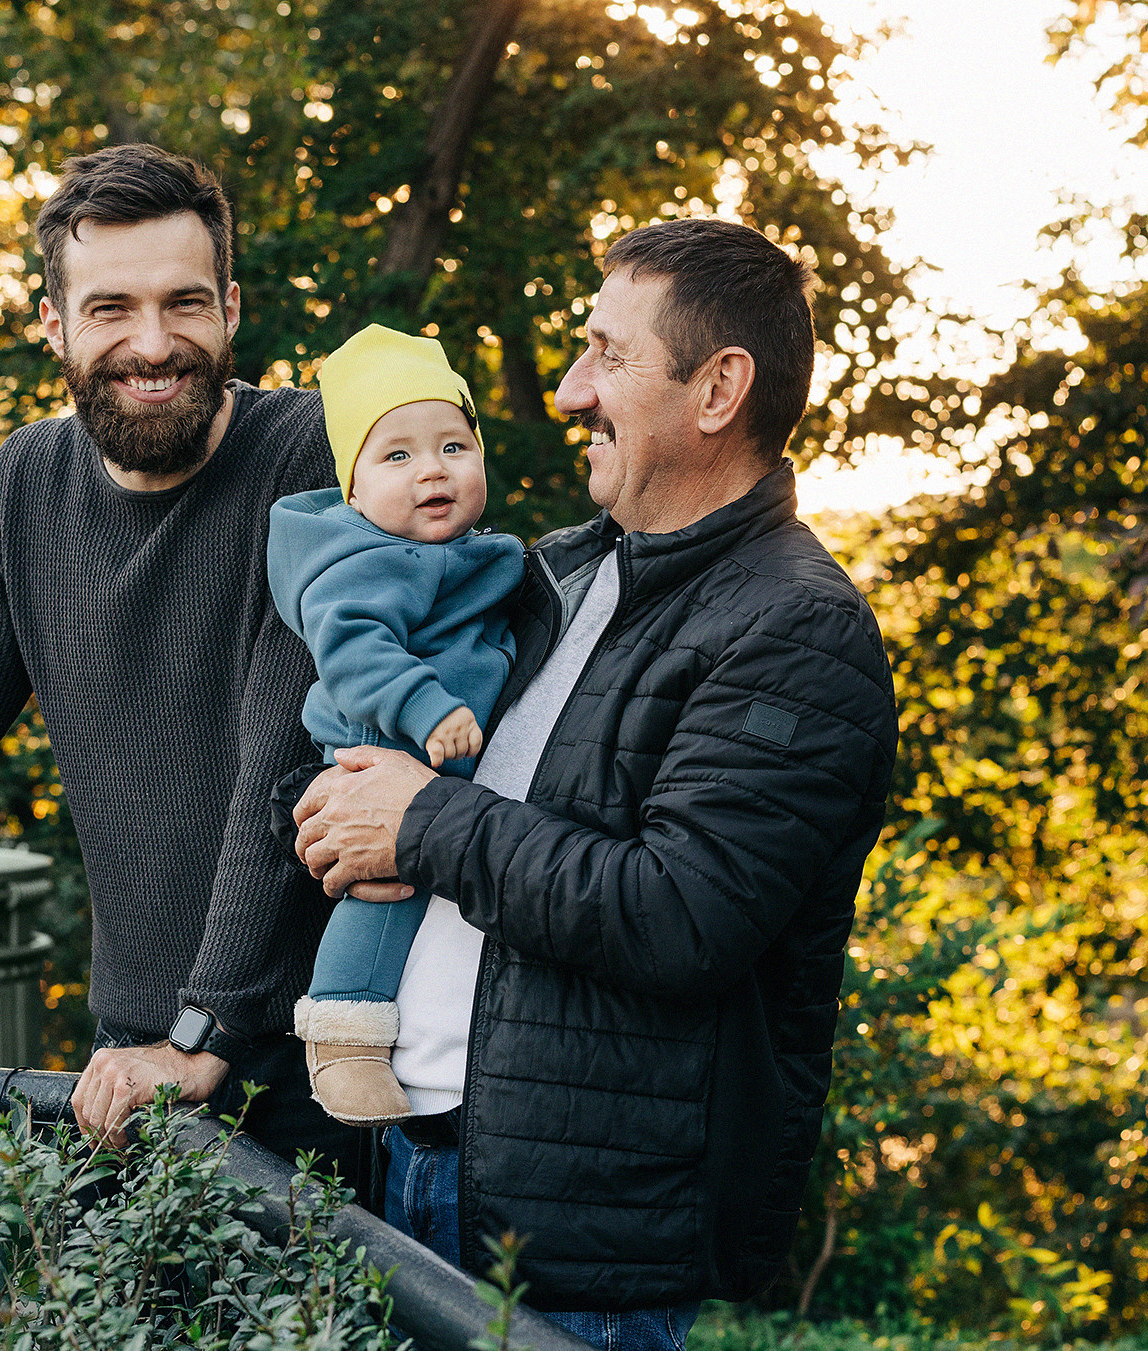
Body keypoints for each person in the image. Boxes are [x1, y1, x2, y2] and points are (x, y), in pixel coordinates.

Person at [291, 217, 900, 1351]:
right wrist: (343, 806)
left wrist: (422, 823)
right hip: (416, 1170)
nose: (571, 390)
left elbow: (681, 911)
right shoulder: (558, 573)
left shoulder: (796, 629)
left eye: (607, 353)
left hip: (577, 1252)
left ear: (717, 389)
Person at [0, 142, 368, 1184]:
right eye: (110, 310)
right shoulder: (26, 486)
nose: (153, 344)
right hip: (129, 1059)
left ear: (231, 309)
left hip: (312, 1055)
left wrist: (202, 1029)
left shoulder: (308, 454)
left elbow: (283, 767)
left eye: (185, 304)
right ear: (54, 326)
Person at [264, 325, 522, 1127]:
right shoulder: (362, 560)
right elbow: (353, 652)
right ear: (353, 490)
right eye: (398, 455)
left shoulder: (465, 552)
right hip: (390, 744)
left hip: (443, 761)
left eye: (453, 445)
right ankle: (342, 1036)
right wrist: (427, 706)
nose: (432, 469)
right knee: (388, 895)